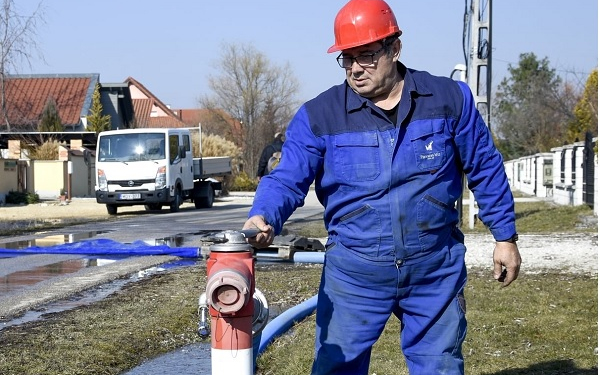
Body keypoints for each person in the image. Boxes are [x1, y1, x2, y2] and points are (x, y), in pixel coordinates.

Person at [243, 0, 522, 373]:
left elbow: (485, 165)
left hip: (433, 271)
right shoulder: (320, 115)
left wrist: (504, 236)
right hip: (354, 274)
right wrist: (262, 216)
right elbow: (286, 178)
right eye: (347, 58)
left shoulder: (448, 100)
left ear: (395, 48)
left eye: (367, 55)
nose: (356, 69)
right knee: (337, 367)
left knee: (439, 366)